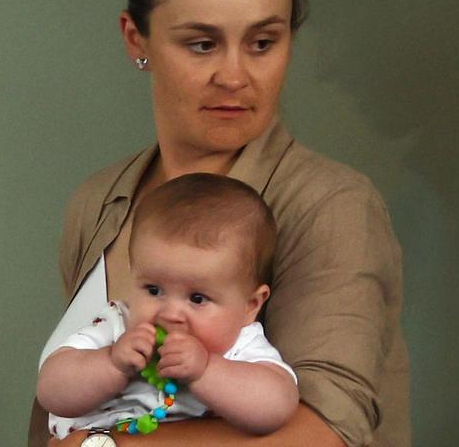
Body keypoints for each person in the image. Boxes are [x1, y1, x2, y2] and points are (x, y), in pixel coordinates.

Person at [29, 0, 410, 446]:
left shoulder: (331, 206)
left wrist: (103, 446)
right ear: (135, 38)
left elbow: (328, 432)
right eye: (203, 44)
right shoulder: (99, 201)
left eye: (262, 43)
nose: (234, 76)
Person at [37, 174, 299, 439]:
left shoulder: (241, 347)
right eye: (154, 290)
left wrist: (206, 370)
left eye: (197, 299)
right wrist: (111, 362)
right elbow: (51, 391)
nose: (170, 314)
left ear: (250, 306)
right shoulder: (118, 324)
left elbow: (277, 408)